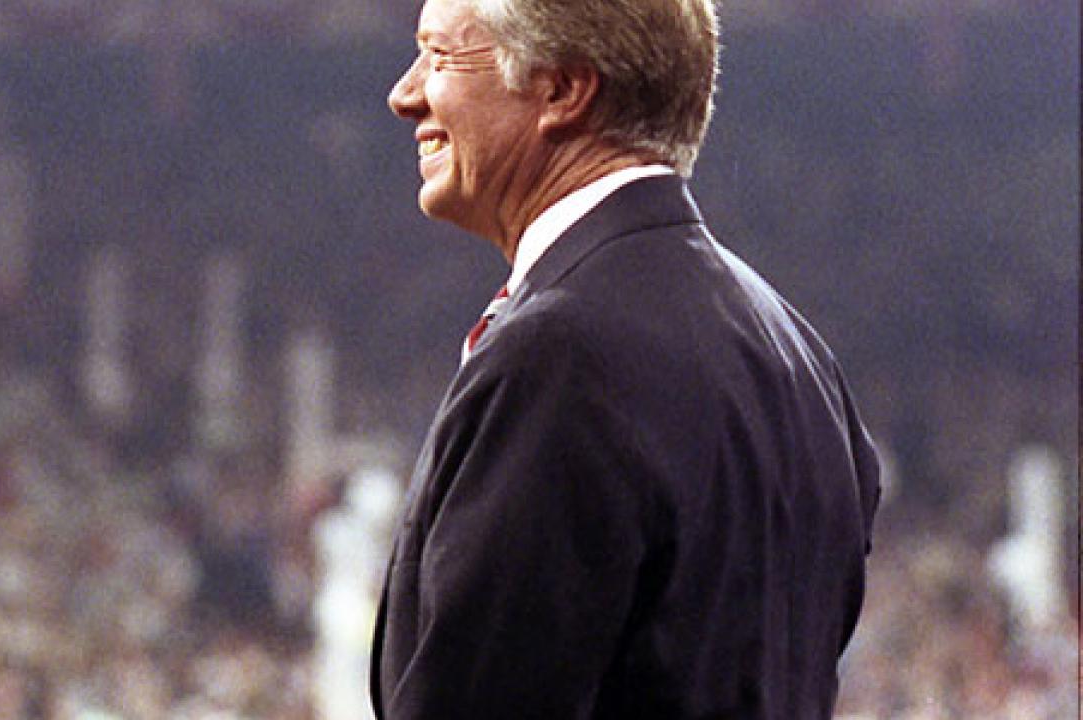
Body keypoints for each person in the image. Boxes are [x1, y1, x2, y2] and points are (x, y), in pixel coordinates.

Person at [368, 0, 883, 718]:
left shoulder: (557, 355)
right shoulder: (798, 354)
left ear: (561, 90)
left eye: (441, 56)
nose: (405, 93)